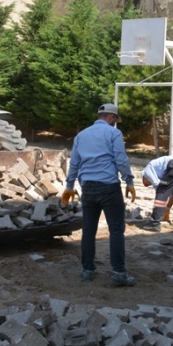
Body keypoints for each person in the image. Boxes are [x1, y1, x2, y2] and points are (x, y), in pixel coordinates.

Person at [62, 103, 137, 287]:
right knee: (116, 231)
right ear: (111, 117)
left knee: (88, 231)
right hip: (109, 187)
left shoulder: (81, 135)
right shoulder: (114, 134)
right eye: (115, 120)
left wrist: (69, 186)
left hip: (87, 188)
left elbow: (74, 163)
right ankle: (119, 272)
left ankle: (87, 270)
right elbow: (120, 158)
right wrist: (129, 181)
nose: (115, 123)